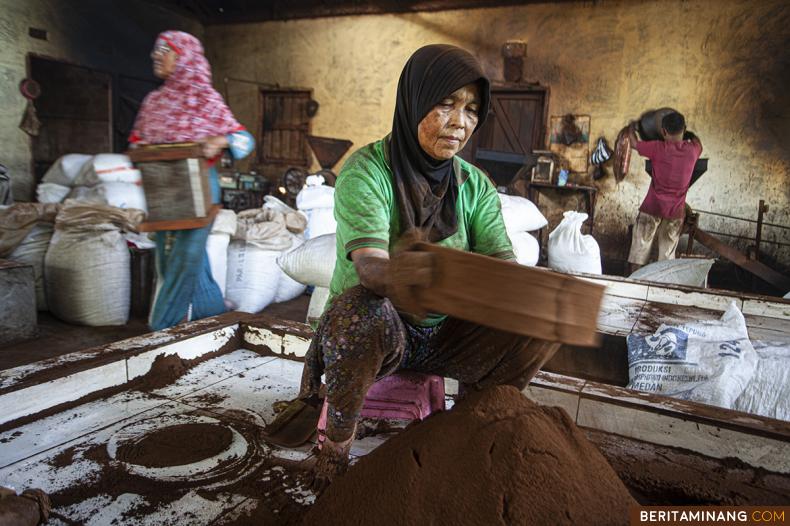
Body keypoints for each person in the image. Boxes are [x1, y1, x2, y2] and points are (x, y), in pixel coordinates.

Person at [278, 44, 561, 489]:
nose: (460, 122)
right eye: (445, 103)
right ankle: (334, 449)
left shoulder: (474, 186)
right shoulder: (368, 172)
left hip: (446, 333)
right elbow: (371, 269)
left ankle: (469, 423)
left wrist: (540, 297)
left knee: (541, 312)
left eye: (471, 109)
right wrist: (421, 273)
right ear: (413, 100)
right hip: (381, 332)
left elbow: (503, 270)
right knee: (358, 310)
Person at [129, 31, 255, 330]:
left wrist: (219, 140)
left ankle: (160, 330)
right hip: (162, 191)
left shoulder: (205, 99)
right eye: (156, 49)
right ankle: (212, 316)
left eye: (164, 49)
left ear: (184, 57)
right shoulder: (154, 101)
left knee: (181, 261)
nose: (155, 55)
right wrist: (140, 152)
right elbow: (137, 140)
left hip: (199, 189)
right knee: (175, 260)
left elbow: (243, 140)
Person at [626, 111, 702, 274]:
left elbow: (633, 143)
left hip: (652, 207)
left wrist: (631, 127)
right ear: (683, 129)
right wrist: (690, 134)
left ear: (664, 131)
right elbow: (698, 142)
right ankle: (661, 288)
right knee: (666, 256)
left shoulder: (657, 148)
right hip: (675, 212)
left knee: (640, 248)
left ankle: (633, 282)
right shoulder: (693, 150)